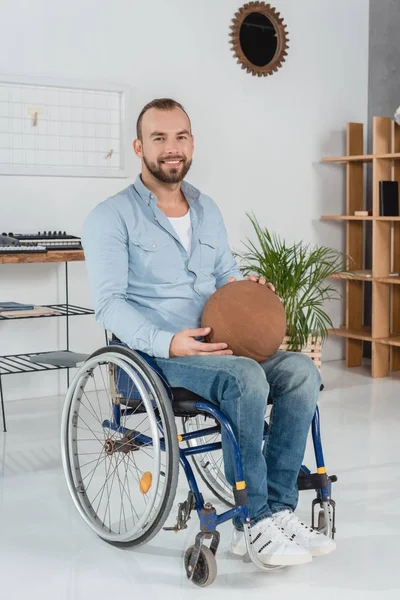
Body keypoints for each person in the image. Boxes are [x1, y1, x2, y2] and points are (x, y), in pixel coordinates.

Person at [82, 98, 336, 567]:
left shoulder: (208, 208)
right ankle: (253, 519)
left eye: (180, 137)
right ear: (139, 147)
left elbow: (225, 281)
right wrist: (169, 341)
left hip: (222, 348)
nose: (171, 148)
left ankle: (278, 511)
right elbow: (110, 305)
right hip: (155, 358)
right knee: (245, 378)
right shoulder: (110, 217)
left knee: (300, 369)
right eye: (159, 138)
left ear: (192, 143)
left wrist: (248, 293)